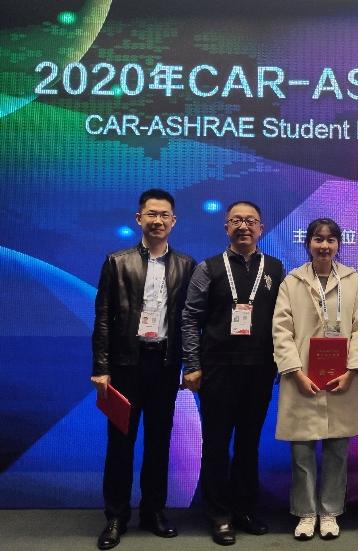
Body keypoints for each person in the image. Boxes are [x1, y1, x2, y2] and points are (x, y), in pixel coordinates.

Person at [91, 188, 196, 549]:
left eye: (164, 215)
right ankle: (116, 516)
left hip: (165, 365)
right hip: (125, 365)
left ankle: (153, 512)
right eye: (151, 214)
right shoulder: (117, 262)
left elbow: (189, 321)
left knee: (158, 442)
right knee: (120, 443)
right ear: (139, 219)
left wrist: (190, 364)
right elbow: (103, 317)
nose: (158, 220)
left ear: (173, 221)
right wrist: (101, 367)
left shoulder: (186, 265)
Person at [181, 201, 284, 546]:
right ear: (226, 227)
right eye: (236, 220)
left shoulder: (275, 268)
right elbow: (190, 318)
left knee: (248, 444)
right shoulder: (208, 268)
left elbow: (283, 321)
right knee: (216, 443)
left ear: (261, 228)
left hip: (259, 369)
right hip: (218, 369)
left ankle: (244, 509)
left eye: (251, 221)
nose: (244, 226)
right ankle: (218, 514)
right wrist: (192, 365)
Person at [272, 218, 358, 540]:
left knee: (337, 450)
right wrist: (296, 372)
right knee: (302, 452)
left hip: (341, 379)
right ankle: (305, 513)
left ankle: (329, 512)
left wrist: (352, 370)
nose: (324, 246)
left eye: (330, 240)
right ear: (308, 243)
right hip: (302, 378)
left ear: (339, 244)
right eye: (318, 239)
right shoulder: (292, 281)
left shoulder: (352, 280)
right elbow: (281, 331)